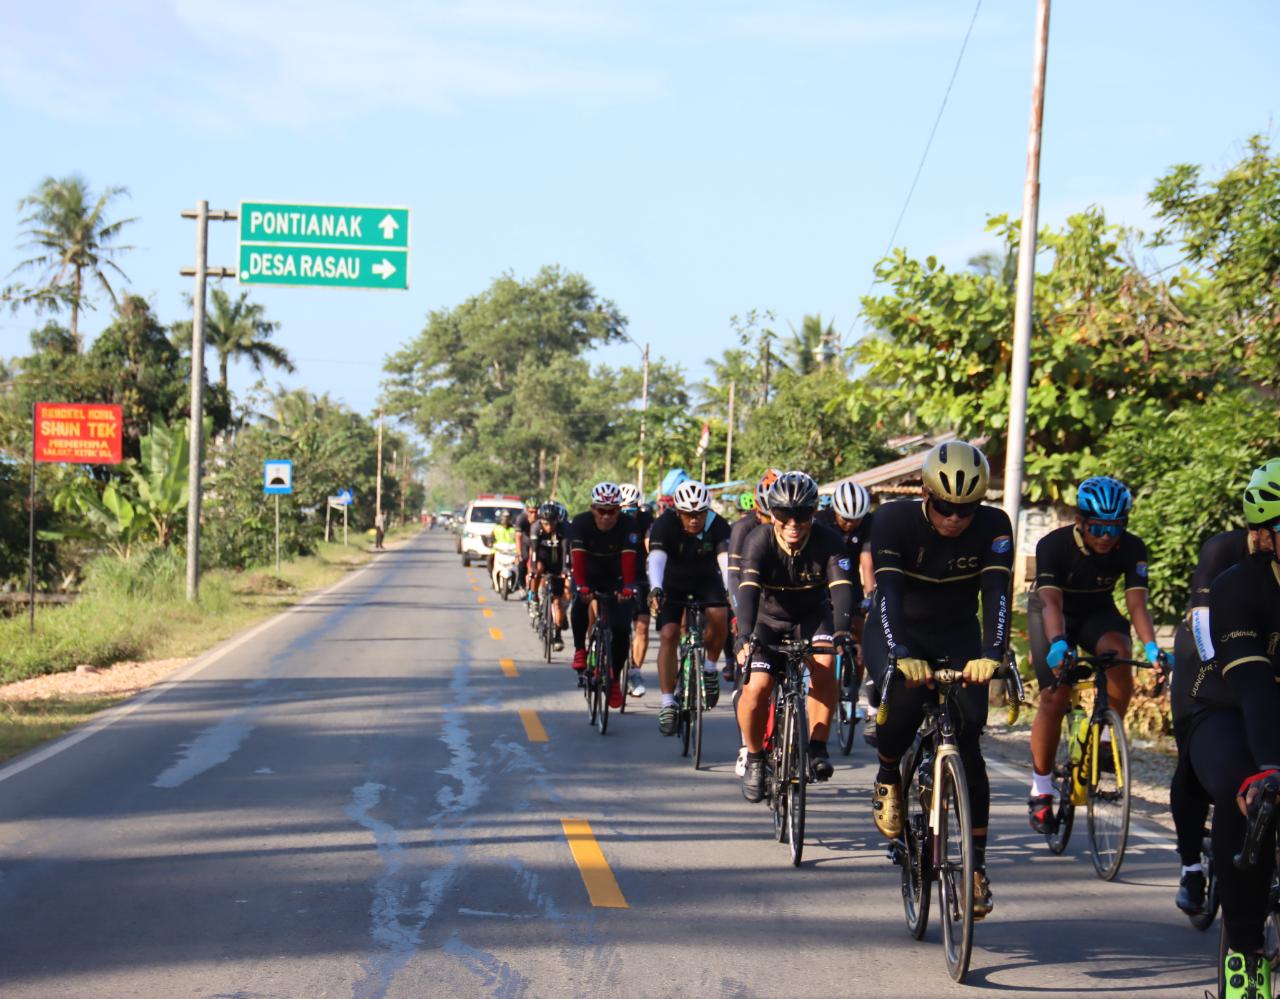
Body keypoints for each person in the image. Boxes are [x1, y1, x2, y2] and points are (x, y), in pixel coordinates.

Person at [865, 441, 1011, 919]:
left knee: (968, 743)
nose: (955, 519)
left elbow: (996, 594)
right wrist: (899, 653)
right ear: (927, 495)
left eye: (965, 510)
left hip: (957, 635)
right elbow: (886, 591)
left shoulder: (994, 527)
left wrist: (993, 654)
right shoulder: (893, 521)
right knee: (902, 709)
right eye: (946, 507)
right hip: (899, 628)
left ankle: (975, 867)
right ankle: (889, 773)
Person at [1025, 476, 1169, 835]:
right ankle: (1040, 790)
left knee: (1120, 653)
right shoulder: (1053, 545)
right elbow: (1051, 602)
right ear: (1080, 521)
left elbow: (1137, 605)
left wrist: (1151, 647)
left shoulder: (1132, 547)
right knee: (1054, 694)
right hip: (1051, 613)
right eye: (1098, 527)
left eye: (1115, 527)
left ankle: (1105, 741)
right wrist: (1058, 643)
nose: (1106, 536)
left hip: (1096, 613)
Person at [1186, 460, 1280, 997]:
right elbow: (1254, 689)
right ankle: (1244, 955)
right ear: (1266, 536)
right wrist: (1270, 769)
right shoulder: (1237, 586)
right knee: (1248, 792)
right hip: (1224, 706)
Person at [736, 471, 858, 799]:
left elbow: (843, 587)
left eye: (802, 514)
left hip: (811, 618)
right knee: (758, 685)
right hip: (767, 620)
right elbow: (747, 590)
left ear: (814, 513)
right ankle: (756, 758)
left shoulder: (829, 540)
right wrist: (744, 635)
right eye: (783, 514)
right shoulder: (758, 540)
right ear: (771, 514)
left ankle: (817, 746)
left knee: (825, 660)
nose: (793, 523)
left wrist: (843, 631)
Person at [1169, 522, 1251, 916]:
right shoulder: (1223, 549)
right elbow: (1201, 620)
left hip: (1259, 655)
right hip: (1203, 658)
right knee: (1193, 759)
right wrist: (1225, 668)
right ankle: (1191, 866)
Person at [648, 479, 731, 735]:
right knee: (669, 633)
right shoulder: (664, 524)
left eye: (700, 514)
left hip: (706, 579)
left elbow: (725, 560)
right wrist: (656, 588)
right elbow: (657, 560)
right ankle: (667, 702)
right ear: (678, 512)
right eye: (689, 515)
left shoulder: (717, 524)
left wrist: (731, 590)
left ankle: (708, 668)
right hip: (672, 582)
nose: (695, 520)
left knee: (720, 614)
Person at [568, 482, 639, 709]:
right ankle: (580, 648)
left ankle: (614, 677)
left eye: (612, 511)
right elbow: (578, 559)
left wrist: (628, 587)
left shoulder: (629, 525)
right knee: (580, 602)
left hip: (616, 576)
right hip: (588, 573)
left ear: (619, 510)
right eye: (602, 511)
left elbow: (629, 561)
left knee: (621, 630)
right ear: (593, 509)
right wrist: (582, 587)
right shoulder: (580, 523)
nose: (607, 517)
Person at [620, 483, 652, 698]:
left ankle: (635, 671)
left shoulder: (645, 520)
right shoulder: (607, 520)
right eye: (623, 510)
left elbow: (652, 544)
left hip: (639, 577)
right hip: (612, 576)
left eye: (632, 510)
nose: (627, 514)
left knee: (642, 626)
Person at [529, 501, 570, 651]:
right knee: (537, 569)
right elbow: (533, 552)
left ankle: (558, 635)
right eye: (545, 523)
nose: (549, 527)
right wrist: (533, 569)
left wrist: (565, 569)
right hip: (542, 559)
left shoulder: (564, 529)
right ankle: (534, 597)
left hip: (558, 563)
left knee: (557, 603)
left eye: (552, 523)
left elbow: (566, 552)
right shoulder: (536, 528)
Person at [515, 498, 539, 598]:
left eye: (536, 512)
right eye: (531, 512)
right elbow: (518, 537)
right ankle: (521, 585)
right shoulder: (521, 519)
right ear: (526, 510)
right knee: (522, 561)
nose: (534, 515)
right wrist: (518, 553)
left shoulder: (540, 518)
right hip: (525, 541)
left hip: (536, 541)